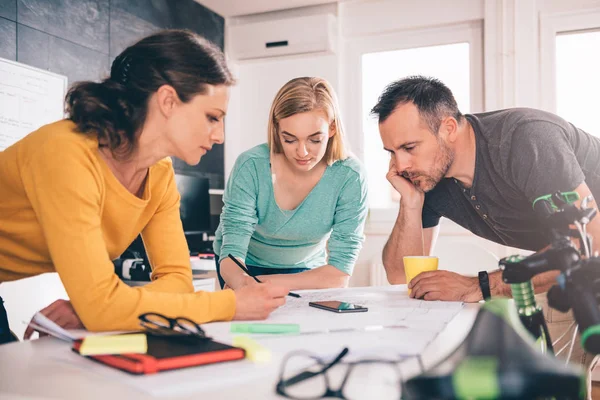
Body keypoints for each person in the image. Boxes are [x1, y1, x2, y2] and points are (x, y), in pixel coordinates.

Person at [0, 30, 289, 343]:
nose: (220, 136)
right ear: (167, 101)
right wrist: (230, 305)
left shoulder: (159, 173)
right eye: (212, 117)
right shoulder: (65, 152)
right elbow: (102, 306)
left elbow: (178, 280)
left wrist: (98, 307)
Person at [372, 75, 600, 371]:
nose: (400, 165)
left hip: (590, 250)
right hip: (579, 267)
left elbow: (588, 242)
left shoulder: (526, 139)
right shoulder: (429, 177)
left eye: (410, 147)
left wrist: (477, 285)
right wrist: (411, 204)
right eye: (392, 152)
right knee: (546, 381)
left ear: (448, 128)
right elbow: (400, 274)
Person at [213, 77, 368, 290]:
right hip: (241, 267)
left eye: (315, 140)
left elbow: (339, 273)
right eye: (290, 139)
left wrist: (264, 285)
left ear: (332, 129)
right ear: (277, 130)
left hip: (308, 271)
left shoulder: (350, 176)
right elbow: (232, 250)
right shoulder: (251, 166)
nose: (302, 152)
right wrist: (243, 284)